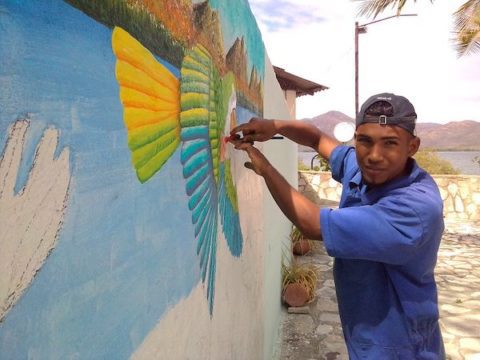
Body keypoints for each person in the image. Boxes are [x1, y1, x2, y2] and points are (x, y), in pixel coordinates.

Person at [229, 93, 445, 359]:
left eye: (390, 143)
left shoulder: (414, 208)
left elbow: (312, 224)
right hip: (365, 329)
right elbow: (316, 138)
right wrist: (274, 126)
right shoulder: (362, 168)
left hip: (398, 344)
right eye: (364, 141)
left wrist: (267, 170)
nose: (374, 155)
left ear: (412, 146)